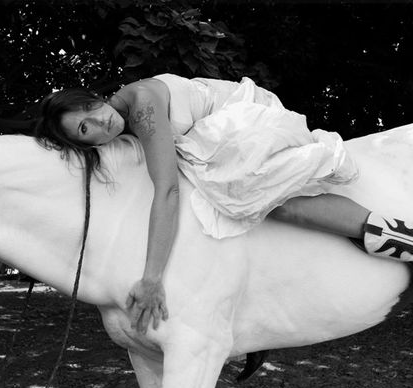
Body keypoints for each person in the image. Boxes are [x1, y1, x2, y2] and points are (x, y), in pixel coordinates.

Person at [34, 73, 413, 333]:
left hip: (239, 119)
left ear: (96, 98)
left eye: (91, 112)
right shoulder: (129, 124)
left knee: (260, 200)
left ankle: (402, 238)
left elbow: (167, 191)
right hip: (217, 136)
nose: (101, 125)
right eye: (86, 130)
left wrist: (151, 279)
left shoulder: (143, 107)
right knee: (240, 201)